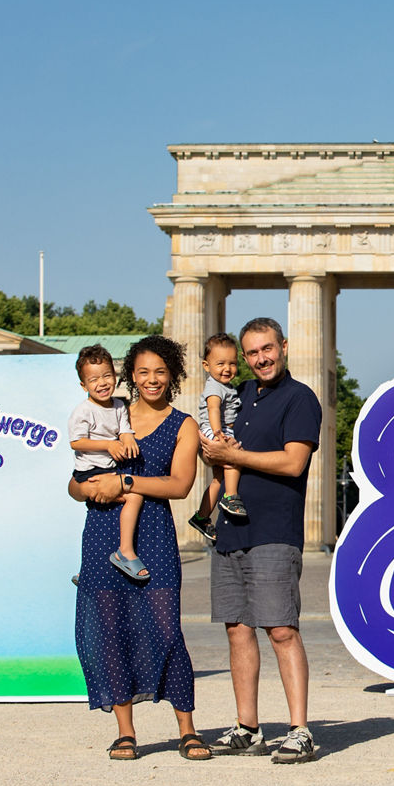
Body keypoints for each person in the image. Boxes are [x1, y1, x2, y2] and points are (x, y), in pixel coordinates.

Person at [67, 335, 211, 762]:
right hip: (102, 531)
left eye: (160, 372)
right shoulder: (111, 410)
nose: (151, 379)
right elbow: (73, 482)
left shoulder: (183, 424)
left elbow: (180, 486)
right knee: (110, 631)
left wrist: (125, 481)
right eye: (143, 371)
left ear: (172, 375)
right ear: (130, 374)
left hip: (154, 535)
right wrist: (86, 489)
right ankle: (125, 732)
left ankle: (187, 729)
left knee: (167, 631)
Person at [201, 317, 321, 763]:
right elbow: (216, 445)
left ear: (283, 346)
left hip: (274, 529)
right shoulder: (237, 395)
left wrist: (235, 455)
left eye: (267, 349)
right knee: (237, 628)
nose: (260, 359)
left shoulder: (300, 398)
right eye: (251, 353)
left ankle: (299, 729)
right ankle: (248, 727)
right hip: (231, 528)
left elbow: (293, 463)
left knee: (282, 629)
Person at [68, 345, 147, 579]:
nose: (102, 383)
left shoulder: (119, 406)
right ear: (84, 386)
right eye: (94, 380)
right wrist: (109, 445)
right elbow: (76, 442)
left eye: (106, 376)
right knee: (133, 496)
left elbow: (124, 429)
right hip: (90, 471)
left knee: (108, 514)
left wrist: (127, 437)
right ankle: (124, 552)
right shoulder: (83, 411)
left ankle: (90, 569)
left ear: (115, 376)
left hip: (110, 469)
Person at [188, 333, 245, 544]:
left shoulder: (225, 386)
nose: (227, 369)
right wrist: (218, 432)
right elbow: (213, 408)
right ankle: (230, 497)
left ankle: (201, 517)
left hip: (216, 429)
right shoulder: (214, 386)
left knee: (217, 480)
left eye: (232, 363)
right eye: (220, 364)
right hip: (216, 430)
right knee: (234, 459)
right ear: (206, 365)